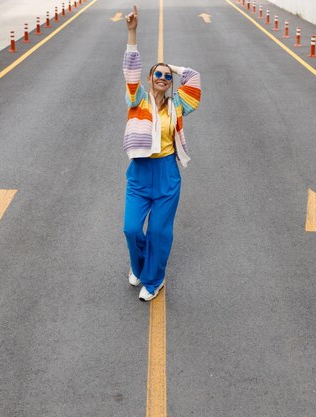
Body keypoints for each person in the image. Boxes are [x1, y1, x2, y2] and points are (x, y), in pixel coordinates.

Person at [122, 5, 202, 302]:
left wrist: (174, 67)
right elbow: (131, 70)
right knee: (131, 229)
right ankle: (139, 265)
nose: (163, 78)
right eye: (158, 73)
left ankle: (153, 281)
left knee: (159, 232)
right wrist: (132, 33)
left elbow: (194, 78)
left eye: (167, 77)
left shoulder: (177, 104)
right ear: (149, 77)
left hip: (167, 173)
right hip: (140, 173)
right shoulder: (137, 99)